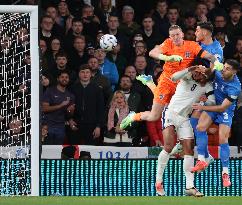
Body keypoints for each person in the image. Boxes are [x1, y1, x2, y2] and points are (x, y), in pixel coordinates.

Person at [120, 25, 222, 130]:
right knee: (154, 116)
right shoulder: (168, 44)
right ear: (170, 37)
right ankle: (133, 116)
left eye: (177, 34)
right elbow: (152, 53)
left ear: (182, 34)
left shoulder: (192, 45)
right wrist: (167, 57)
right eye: (172, 36)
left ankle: (179, 142)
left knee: (181, 113)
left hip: (182, 84)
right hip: (167, 82)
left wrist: (217, 62)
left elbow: (209, 56)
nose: (176, 37)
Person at [155, 65, 215, 196]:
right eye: (196, 72)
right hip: (170, 113)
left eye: (200, 73)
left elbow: (212, 102)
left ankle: (190, 187)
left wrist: (204, 104)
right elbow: (173, 77)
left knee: (189, 150)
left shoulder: (207, 86)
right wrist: (191, 68)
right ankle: (158, 181)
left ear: (205, 76)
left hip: (184, 119)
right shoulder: (187, 76)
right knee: (169, 147)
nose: (197, 75)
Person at [191, 59, 241, 187]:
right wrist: (211, 69)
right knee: (200, 127)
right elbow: (206, 74)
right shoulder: (219, 71)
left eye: (228, 68)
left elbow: (222, 108)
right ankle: (202, 159)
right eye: (224, 67)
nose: (224, 70)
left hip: (225, 110)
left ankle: (225, 173)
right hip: (213, 104)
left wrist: (202, 107)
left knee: (223, 140)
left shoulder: (235, 87)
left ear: (235, 72)